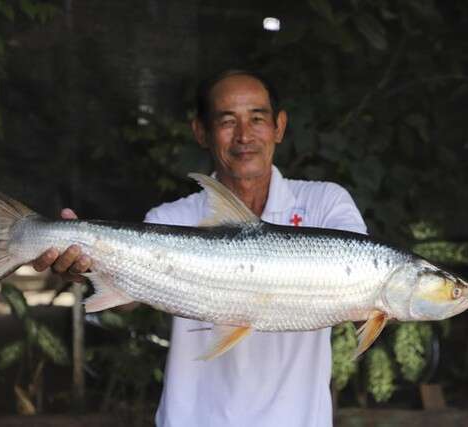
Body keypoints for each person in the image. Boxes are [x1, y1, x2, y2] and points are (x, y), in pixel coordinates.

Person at [31, 70, 366, 426]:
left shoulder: (326, 204)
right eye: (227, 121)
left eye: (257, 118)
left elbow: (360, 291)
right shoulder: (171, 216)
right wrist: (88, 264)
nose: (244, 136)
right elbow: (129, 296)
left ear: (279, 127)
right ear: (201, 132)